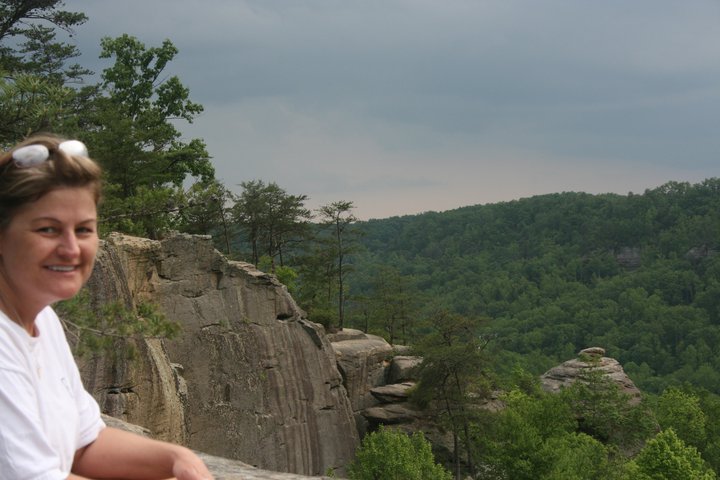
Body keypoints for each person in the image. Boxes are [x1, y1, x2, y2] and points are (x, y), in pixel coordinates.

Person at [0, 135, 213, 480]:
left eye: (83, 229)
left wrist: (177, 458)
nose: (71, 249)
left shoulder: (42, 320)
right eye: (48, 229)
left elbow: (84, 445)